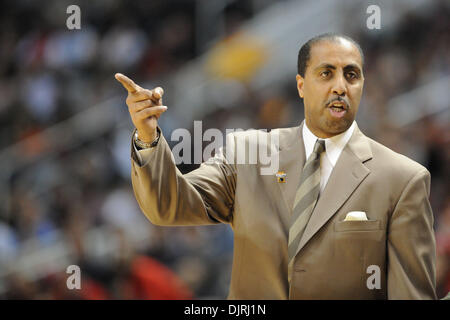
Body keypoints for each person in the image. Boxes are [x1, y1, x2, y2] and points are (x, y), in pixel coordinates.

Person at [115, 33, 436, 299]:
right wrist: (147, 136)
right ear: (300, 85)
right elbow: (168, 206)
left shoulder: (403, 179)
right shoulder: (247, 154)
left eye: (351, 75)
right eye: (326, 73)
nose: (340, 86)